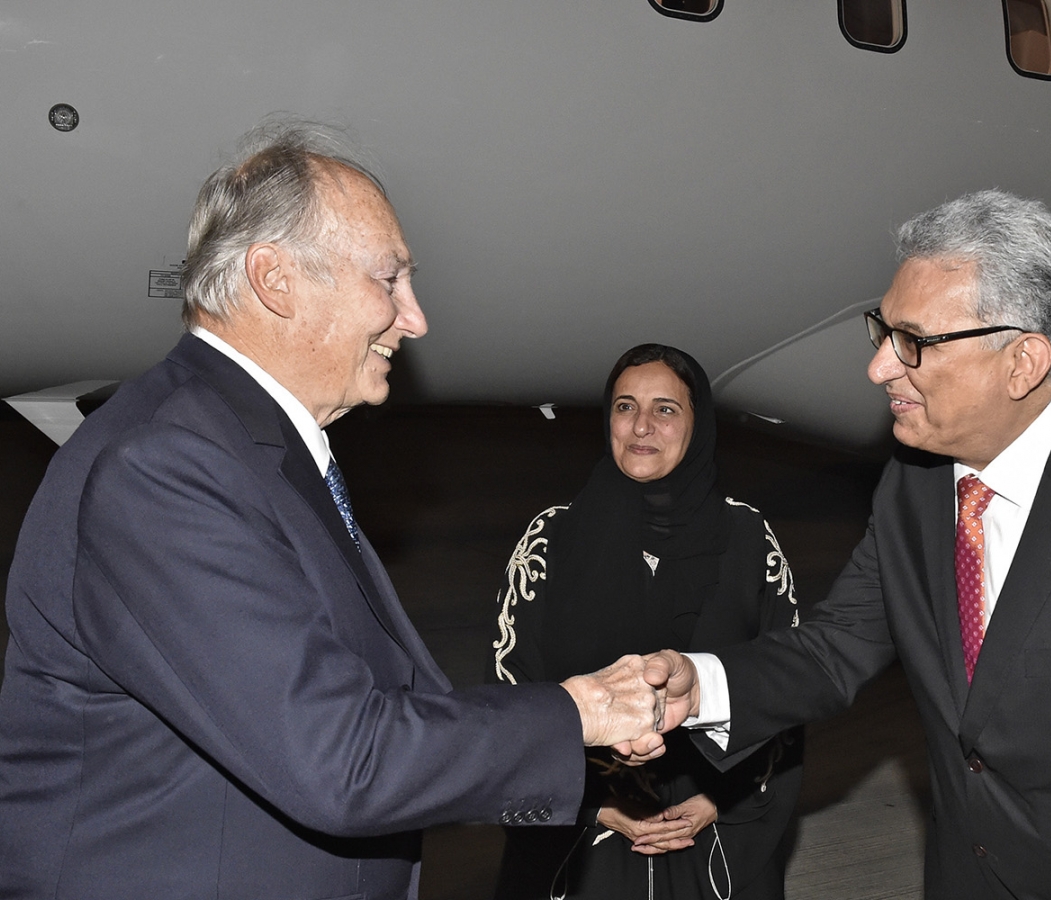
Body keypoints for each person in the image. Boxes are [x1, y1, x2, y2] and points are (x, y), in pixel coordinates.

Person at [0, 120, 665, 900]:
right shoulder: (165, 467)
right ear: (275, 280)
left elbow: (378, 698)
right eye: (388, 281)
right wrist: (573, 714)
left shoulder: (246, 441)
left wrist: (582, 735)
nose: (414, 319)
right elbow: (340, 761)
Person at [644, 190, 1051, 899]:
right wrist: (701, 686)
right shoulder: (914, 482)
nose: (880, 367)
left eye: (913, 341)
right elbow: (837, 646)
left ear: (1022, 362)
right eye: (881, 331)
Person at [490, 344, 803, 900]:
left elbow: (786, 681)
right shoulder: (552, 540)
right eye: (624, 406)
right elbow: (513, 691)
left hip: (712, 831)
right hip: (584, 832)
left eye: (665, 409)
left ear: (696, 423)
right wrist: (600, 807)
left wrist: (719, 800)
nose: (640, 426)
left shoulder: (747, 539)